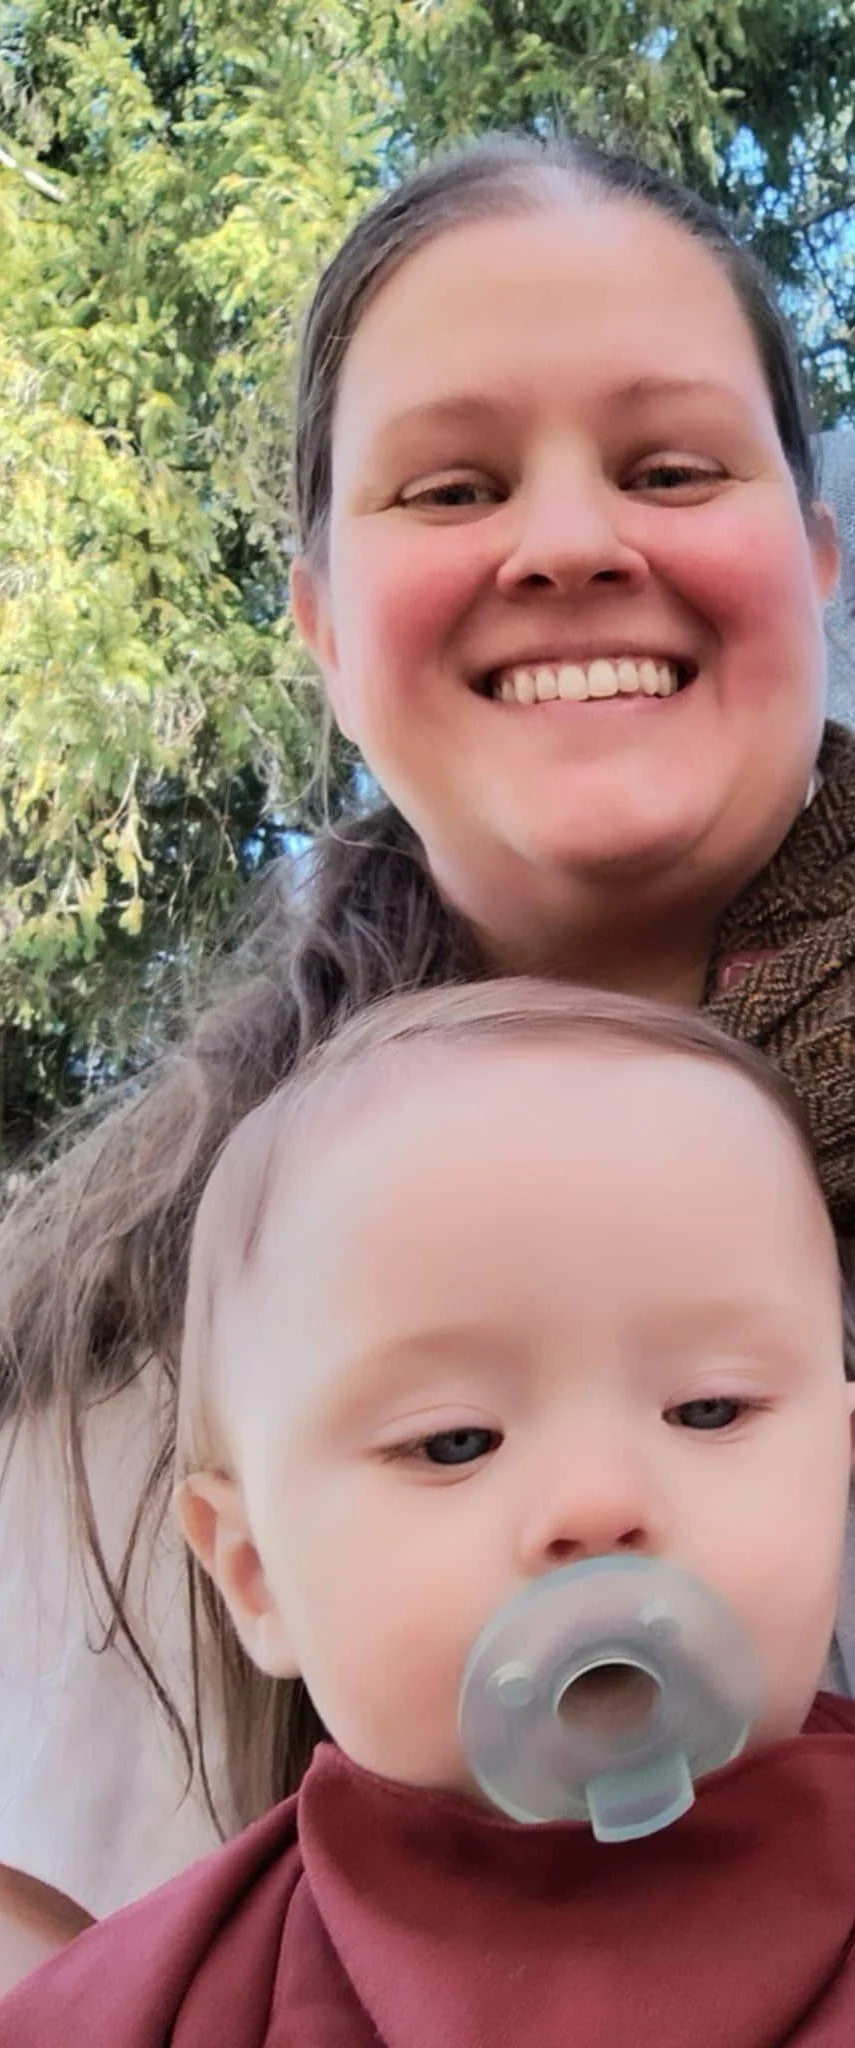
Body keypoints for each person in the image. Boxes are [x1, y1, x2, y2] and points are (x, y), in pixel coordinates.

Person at [2, 126, 855, 1954]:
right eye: (453, 487)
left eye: (673, 463)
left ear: (819, 552)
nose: (566, 542)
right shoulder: (114, 1390)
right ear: (315, 620)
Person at [3, 978, 855, 2048]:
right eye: (454, 1439)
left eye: (710, 1407)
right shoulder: (175, 1989)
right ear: (256, 1572)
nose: (599, 1502)